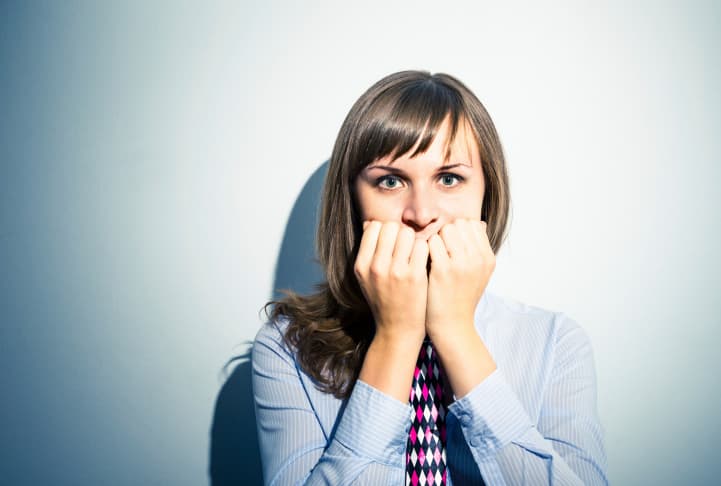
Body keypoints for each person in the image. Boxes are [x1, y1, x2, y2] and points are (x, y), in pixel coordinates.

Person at [252, 70, 607, 485]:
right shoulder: (286, 349)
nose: (421, 213)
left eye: (449, 179)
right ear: (352, 201)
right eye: (390, 181)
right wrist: (396, 337)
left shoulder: (554, 344)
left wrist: (456, 332)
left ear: (487, 195)